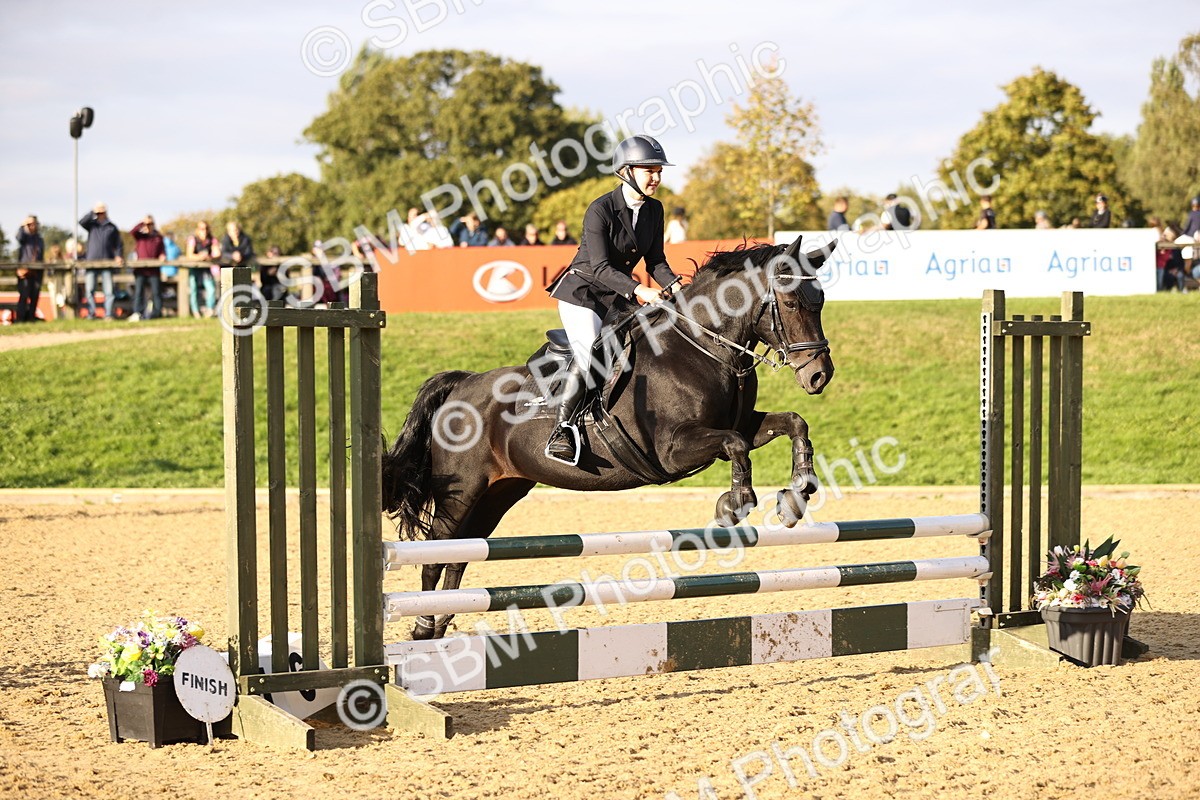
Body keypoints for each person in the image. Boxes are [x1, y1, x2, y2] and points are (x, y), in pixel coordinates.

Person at [543, 134, 678, 466]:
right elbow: (601, 268)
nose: (656, 178)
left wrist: (677, 288)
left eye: (659, 170)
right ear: (627, 171)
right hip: (582, 294)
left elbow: (656, 261)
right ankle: (563, 429)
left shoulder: (654, 209)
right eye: (649, 171)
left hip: (618, 299)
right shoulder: (600, 209)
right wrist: (639, 290)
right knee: (591, 352)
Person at [79, 202, 124, 320]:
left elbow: (119, 244)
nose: (100, 214)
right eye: (98, 213)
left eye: (101, 212)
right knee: (89, 291)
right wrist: (92, 211)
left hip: (107, 263)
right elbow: (81, 222)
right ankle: (91, 314)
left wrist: (118, 255)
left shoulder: (112, 227)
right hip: (91, 262)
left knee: (109, 291)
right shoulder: (91, 225)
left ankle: (108, 314)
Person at [129, 215, 166, 320]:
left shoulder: (158, 237)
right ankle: (138, 312)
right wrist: (142, 223)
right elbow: (132, 232)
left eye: (150, 224)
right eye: (147, 224)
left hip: (154, 270)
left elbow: (162, 251)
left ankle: (157, 313)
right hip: (140, 270)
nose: (148, 226)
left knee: (156, 292)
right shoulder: (140, 236)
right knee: (139, 292)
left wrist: (162, 256)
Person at [186, 221, 219, 317]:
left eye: (206, 228)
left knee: (211, 289)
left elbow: (217, 253)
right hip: (194, 268)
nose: (204, 231)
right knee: (193, 289)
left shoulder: (212, 240)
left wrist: (210, 257)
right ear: (197, 229)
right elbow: (189, 255)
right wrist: (199, 257)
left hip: (206, 269)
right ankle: (195, 311)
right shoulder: (193, 239)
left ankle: (210, 309)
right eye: (201, 228)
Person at [14, 215, 45, 322]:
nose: (32, 226)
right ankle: (20, 319)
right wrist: (22, 226)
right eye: (29, 224)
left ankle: (31, 318)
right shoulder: (24, 237)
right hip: (24, 271)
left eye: (33, 224)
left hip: (36, 272)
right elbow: (18, 237)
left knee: (34, 296)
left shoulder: (39, 239)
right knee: (24, 295)